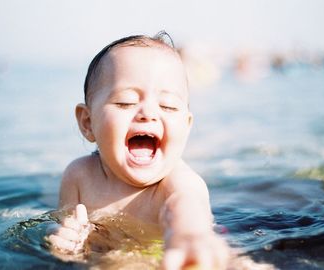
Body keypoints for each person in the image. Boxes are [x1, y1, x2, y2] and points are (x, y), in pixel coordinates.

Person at [47, 31, 229, 269]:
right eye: (126, 102)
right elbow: (65, 225)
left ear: (186, 127)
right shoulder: (79, 176)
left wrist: (189, 235)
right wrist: (62, 237)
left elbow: (187, 210)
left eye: (168, 105)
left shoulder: (179, 182)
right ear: (88, 123)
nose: (148, 113)